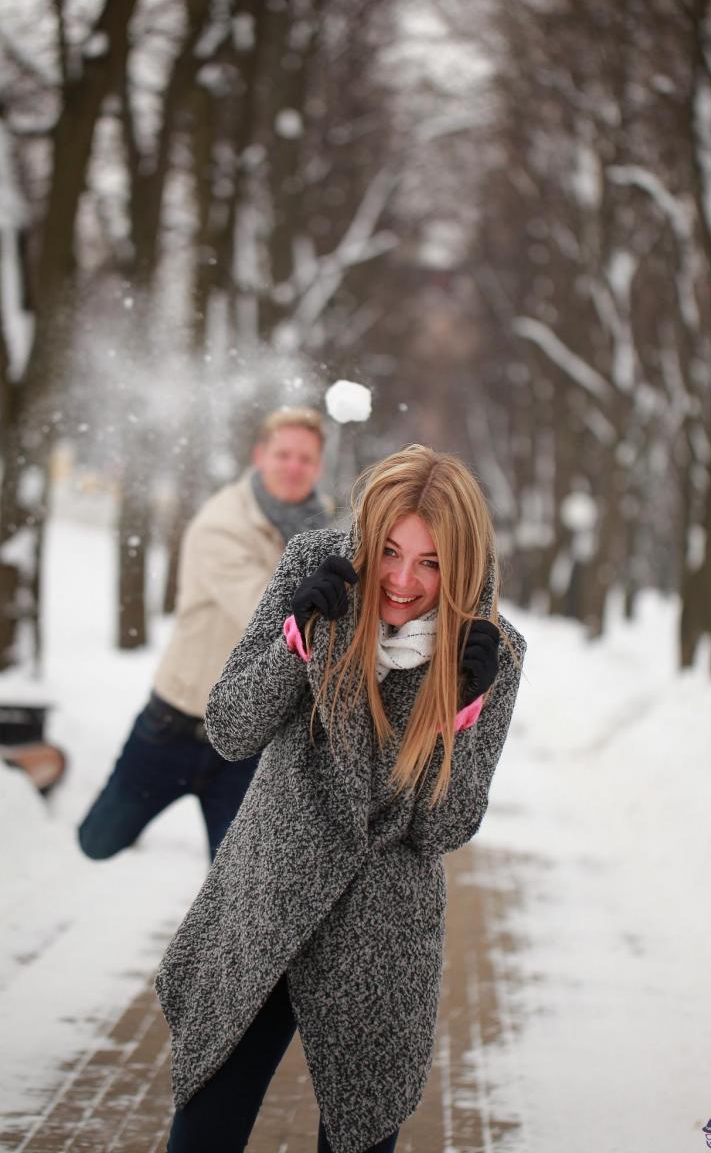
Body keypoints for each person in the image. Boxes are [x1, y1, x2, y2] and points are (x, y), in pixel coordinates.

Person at [154, 444, 527, 1153]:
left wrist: (457, 718)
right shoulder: (315, 570)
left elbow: (445, 826)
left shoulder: (490, 649)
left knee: (357, 1135)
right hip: (269, 894)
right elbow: (230, 728)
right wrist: (297, 644)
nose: (403, 581)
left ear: (462, 564)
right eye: (389, 552)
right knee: (206, 1125)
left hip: (380, 929)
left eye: (431, 563)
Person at [78, 408, 332, 862]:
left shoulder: (320, 531)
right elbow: (269, 613)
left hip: (245, 736)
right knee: (98, 842)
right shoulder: (222, 524)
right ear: (260, 455)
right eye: (284, 454)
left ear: (319, 465)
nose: (294, 467)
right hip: (174, 725)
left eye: (306, 458)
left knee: (238, 882)